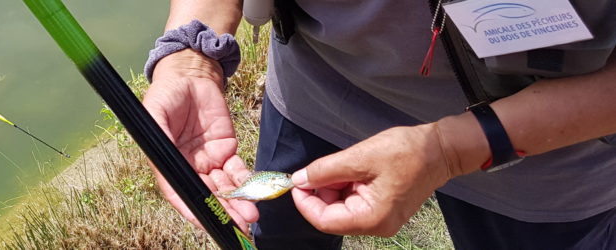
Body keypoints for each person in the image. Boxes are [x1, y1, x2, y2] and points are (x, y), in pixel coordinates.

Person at [140, 0, 616, 249]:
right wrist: (190, 56)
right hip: (316, 90)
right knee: (278, 235)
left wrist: (450, 151)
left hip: (545, 158)